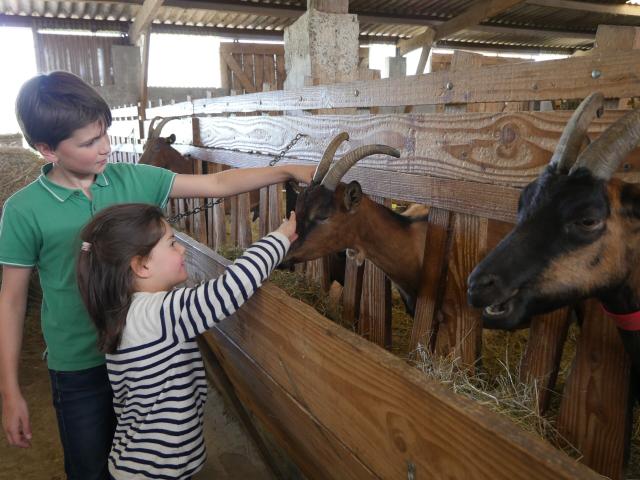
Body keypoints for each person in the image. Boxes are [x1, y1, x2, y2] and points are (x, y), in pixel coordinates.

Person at [0, 70, 314, 479]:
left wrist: (286, 170)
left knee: (136, 456)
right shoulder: (24, 210)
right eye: (89, 142)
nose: (105, 147)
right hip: (77, 364)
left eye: (105, 134)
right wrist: (10, 390)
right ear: (46, 149)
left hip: (144, 356)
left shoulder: (132, 178)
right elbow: (11, 299)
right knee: (90, 467)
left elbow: (216, 183)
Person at [75, 203, 296, 479]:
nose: (182, 249)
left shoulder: (127, 312)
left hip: (138, 463)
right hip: (156, 471)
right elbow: (231, 288)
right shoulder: (158, 314)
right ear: (142, 265)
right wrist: (281, 237)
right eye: (171, 243)